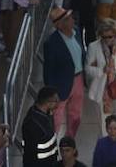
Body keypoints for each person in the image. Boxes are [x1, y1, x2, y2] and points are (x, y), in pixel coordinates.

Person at [42, 7, 87, 139]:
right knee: (56, 117)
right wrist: (51, 92)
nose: (72, 20)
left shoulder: (77, 32)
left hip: (79, 79)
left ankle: (70, 139)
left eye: (71, 17)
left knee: (76, 115)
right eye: (67, 19)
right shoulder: (51, 43)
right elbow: (48, 70)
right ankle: (52, 144)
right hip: (61, 84)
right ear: (59, 25)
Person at [22, 86, 61, 167]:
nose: (58, 103)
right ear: (48, 103)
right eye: (56, 101)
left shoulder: (46, 113)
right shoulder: (33, 124)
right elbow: (31, 153)